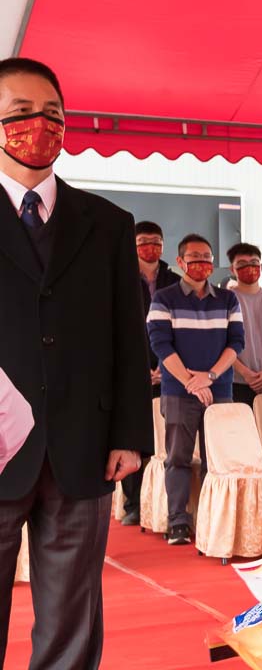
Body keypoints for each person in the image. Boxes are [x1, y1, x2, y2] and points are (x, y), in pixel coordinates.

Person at [0, 57, 152, 668]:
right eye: (20, 113)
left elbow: (127, 336)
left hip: (83, 446)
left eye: (52, 113)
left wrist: (130, 434)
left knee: (72, 622)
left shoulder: (107, 223)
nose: (39, 125)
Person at [147, 233, 245, 545]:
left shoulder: (228, 299)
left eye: (207, 258)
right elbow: (160, 344)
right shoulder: (164, 298)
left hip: (220, 390)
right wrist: (191, 382)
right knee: (178, 457)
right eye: (194, 258)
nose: (202, 264)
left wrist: (210, 376)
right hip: (178, 391)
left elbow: (236, 343)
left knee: (216, 459)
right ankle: (178, 521)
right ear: (180, 261)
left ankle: (209, 520)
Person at [118, 220, 180, 526]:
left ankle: (166, 503)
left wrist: (165, 367)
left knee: (168, 440)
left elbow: (180, 329)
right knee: (134, 438)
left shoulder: (175, 280)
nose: (150, 248)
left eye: (156, 242)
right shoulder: (120, 277)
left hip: (171, 369)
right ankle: (134, 504)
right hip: (133, 369)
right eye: (143, 242)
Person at [227, 243, 262, 407]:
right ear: (232, 269)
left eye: (254, 262)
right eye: (242, 264)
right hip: (235, 382)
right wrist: (245, 373)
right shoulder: (225, 301)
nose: (249, 267)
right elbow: (221, 344)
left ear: (261, 267)